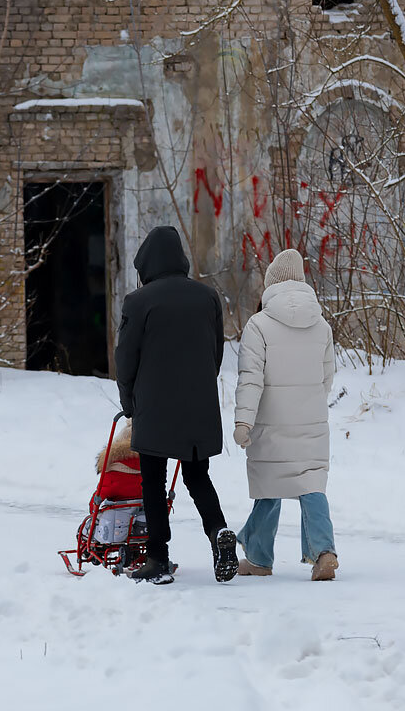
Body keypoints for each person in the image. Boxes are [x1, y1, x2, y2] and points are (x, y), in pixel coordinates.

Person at [115, 226, 238, 585]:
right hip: (199, 406)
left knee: (152, 480)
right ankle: (218, 532)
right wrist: (198, 386)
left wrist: (130, 402)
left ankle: (158, 557)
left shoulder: (138, 302)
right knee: (197, 475)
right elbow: (217, 352)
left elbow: (126, 359)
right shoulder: (208, 297)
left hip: (154, 408)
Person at [233, 248, 339, 581]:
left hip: (270, 424)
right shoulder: (320, 325)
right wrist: (308, 404)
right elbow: (327, 377)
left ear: (271, 284)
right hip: (311, 423)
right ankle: (324, 552)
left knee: (269, 488)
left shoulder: (258, 325)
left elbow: (251, 377)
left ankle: (259, 559)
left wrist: (243, 422)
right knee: (312, 487)